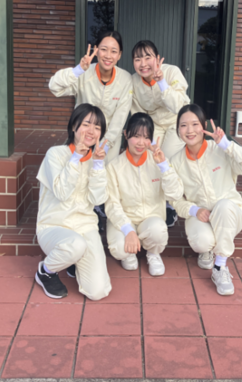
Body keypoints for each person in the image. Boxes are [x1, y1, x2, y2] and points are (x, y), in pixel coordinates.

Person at [170, 104, 242, 296]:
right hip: (201, 217)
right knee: (201, 242)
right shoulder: (176, 161)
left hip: (230, 214)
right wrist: (194, 210)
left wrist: (228, 145)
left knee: (224, 205)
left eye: (195, 124)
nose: (189, 130)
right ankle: (207, 249)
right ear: (178, 130)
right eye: (183, 125)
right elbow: (175, 200)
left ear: (204, 126)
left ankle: (220, 266)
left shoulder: (220, 150)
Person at [34, 104, 112, 301]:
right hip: (54, 226)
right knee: (75, 244)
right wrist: (76, 157)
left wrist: (98, 165)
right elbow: (62, 192)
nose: (91, 131)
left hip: (85, 227)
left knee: (97, 291)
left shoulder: (96, 159)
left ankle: (73, 261)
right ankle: (46, 271)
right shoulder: (55, 154)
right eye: (86, 124)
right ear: (73, 127)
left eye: (97, 127)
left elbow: (97, 199)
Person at [105, 113, 184, 276]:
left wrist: (163, 166)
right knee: (119, 248)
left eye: (146, 137)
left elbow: (175, 194)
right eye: (136, 136)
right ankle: (129, 252)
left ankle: (153, 253)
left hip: (150, 218)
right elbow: (112, 204)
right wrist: (128, 230)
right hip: (124, 219)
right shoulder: (114, 166)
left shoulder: (159, 161)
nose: (141, 143)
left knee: (158, 230)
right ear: (126, 134)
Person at [49, 31, 132, 164]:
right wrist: (78, 70)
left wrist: (105, 146)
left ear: (119, 55)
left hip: (109, 140)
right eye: (103, 49)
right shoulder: (84, 73)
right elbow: (55, 87)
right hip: (82, 135)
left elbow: (120, 117)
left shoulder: (125, 79)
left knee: (104, 173)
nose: (108, 55)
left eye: (114, 51)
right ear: (96, 50)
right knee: (76, 170)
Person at [131, 40, 190, 227]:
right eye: (137, 59)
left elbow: (178, 106)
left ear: (157, 58)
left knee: (167, 158)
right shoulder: (133, 80)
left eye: (147, 57)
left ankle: (170, 204)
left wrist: (162, 82)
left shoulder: (172, 72)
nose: (143, 64)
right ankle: (153, 201)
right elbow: (137, 110)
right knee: (149, 157)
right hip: (154, 124)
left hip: (176, 122)